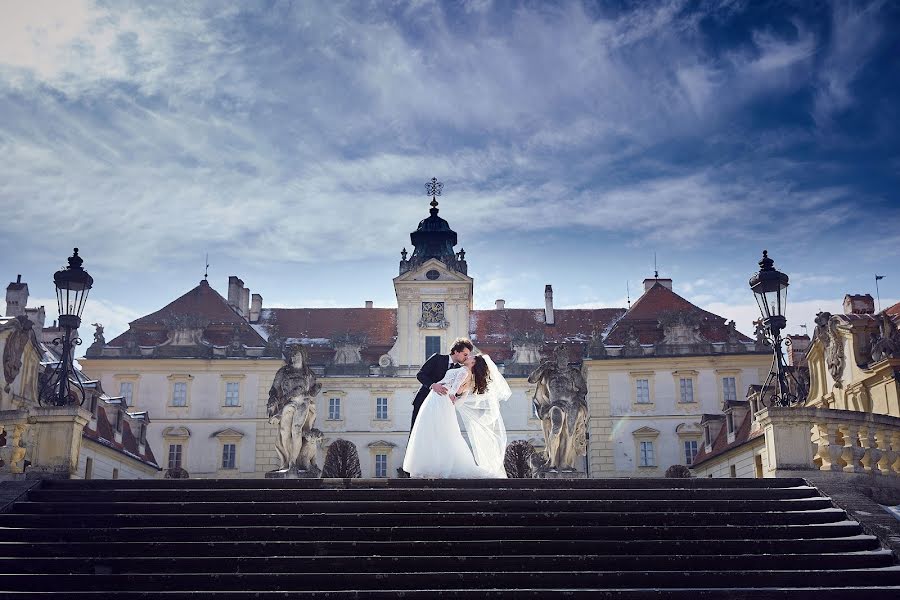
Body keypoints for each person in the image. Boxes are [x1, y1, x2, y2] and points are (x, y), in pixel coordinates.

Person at [403, 353, 511, 478]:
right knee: (445, 433)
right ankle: (439, 466)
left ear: (473, 363)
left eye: (470, 356)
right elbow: (460, 399)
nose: (468, 356)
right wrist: (453, 399)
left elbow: (453, 390)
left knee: (431, 431)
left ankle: (432, 466)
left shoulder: (464, 371)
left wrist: (451, 394)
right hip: (444, 402)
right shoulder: (471, 378)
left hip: (438, 399)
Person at [410, 338, 473, 429]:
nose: (466, 357)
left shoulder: (461, 370)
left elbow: (457, 389)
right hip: (423, 401)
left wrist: (457, 396)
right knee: (417, 433)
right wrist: (433, 385)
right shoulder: (437, 358)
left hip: (442, 406)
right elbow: (420, 374)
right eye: (465, 354)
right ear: (456, 352)